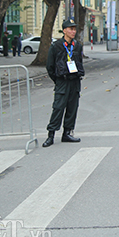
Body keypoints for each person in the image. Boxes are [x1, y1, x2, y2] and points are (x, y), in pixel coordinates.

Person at [42, 19, 84, 147]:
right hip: (62, 81)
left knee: (72, 108)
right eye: (70, 29)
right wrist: (58, 80)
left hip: (75, 81)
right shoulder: (56, 46)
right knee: (58, 108)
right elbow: (50, 66)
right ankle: (51, 135)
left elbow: (79, 62)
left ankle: (67, 133)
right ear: (64, 30)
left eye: (74, 29)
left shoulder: (77, 46)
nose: (73, 31)